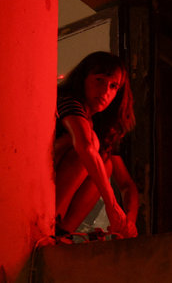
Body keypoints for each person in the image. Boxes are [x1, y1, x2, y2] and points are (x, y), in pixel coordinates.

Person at [54, 51, 138, 239]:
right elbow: (84, 146)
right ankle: (52, 223)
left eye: (113, 86)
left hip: (63, 215)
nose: (105, 91)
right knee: (89, 145)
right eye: (99, 80)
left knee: (105, 163)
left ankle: (63, 233)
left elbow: (126, 184)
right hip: (41, 190)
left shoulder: (101, 125)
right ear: (83, 79)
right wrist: (112, 205)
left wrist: (127, 223)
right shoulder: (69, 102)